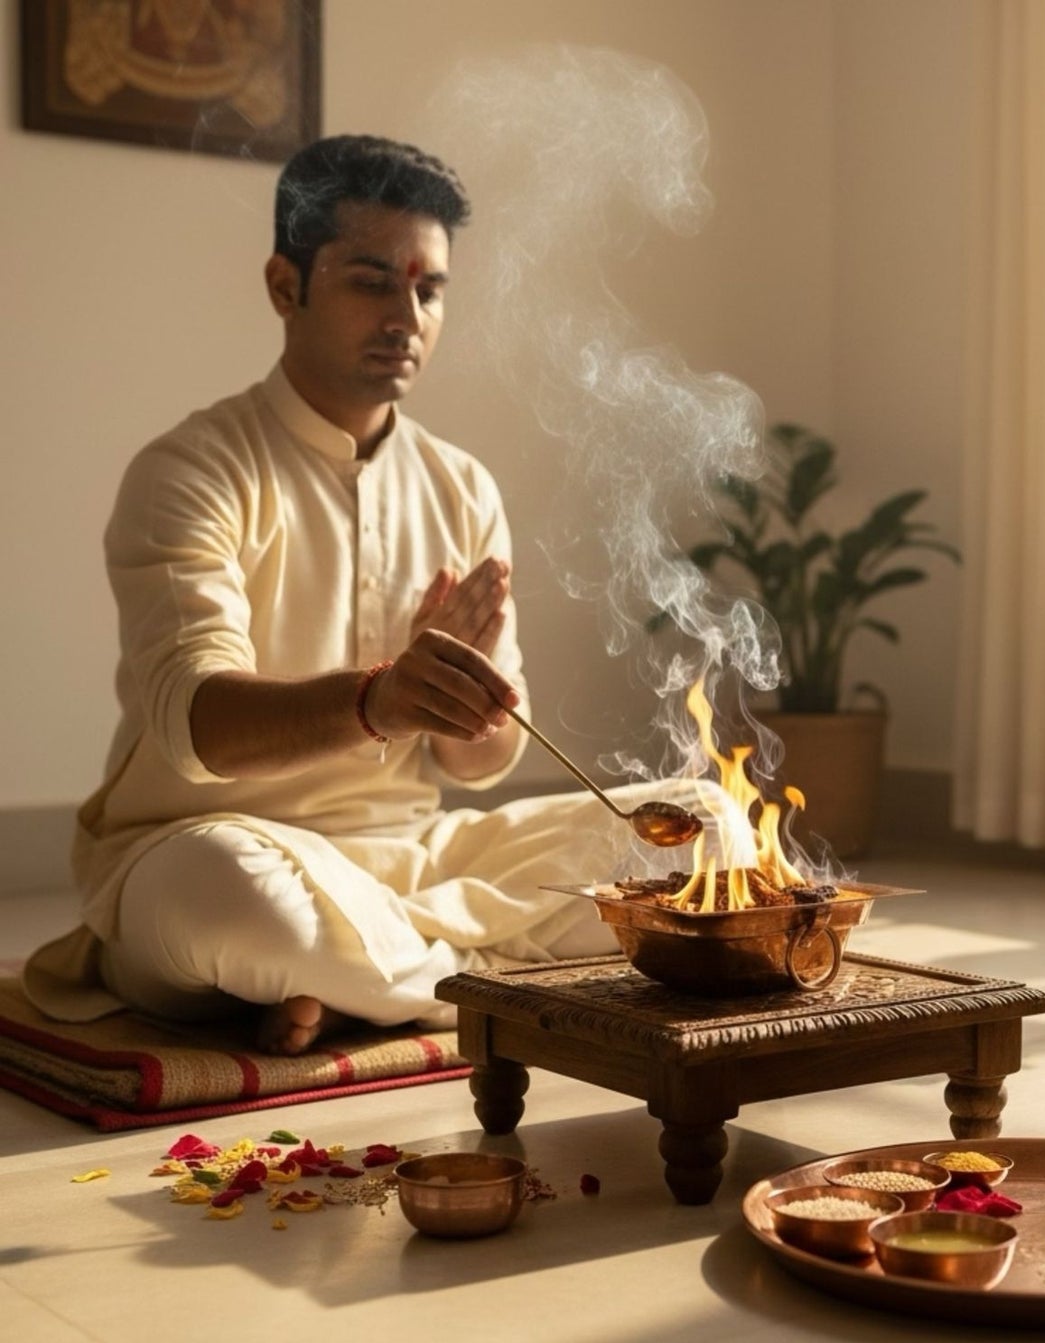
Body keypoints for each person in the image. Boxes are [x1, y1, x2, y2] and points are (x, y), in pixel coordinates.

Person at [24, 134, 692, 1054]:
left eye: (429, 289)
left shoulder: (461, 485)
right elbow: (193, 723)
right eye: (372, 281)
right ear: (284, 286)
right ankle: (463, 981)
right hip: (212, 846)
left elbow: (481, 767)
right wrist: (380, 700)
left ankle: (366, 986)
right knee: (238, 900)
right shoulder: (191, 470)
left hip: (412, 870)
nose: (407, 317)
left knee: (699, 833)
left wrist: (463, 697)